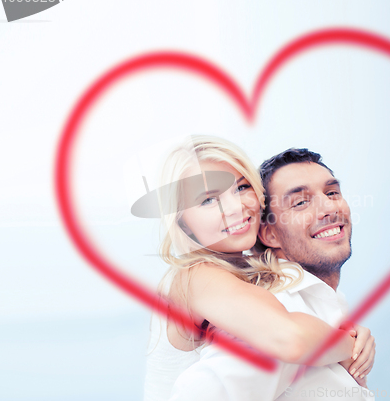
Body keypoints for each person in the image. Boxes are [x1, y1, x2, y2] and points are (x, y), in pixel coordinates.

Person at [144, 136, 374, 400]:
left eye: (241, 187)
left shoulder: (252, 277)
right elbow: (290, 338)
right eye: (208, 200)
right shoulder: (194, 276)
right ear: (183, 223)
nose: (235, 208)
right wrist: (351, 345)